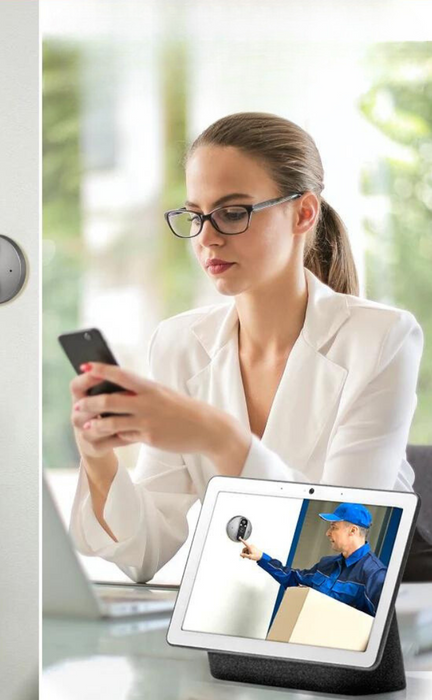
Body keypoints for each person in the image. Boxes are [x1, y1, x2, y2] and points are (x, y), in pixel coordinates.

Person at [67, 112, 424, 585]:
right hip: (234, 623)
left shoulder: (382, 338)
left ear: (303, 213)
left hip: (354, 626)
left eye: (233, 212)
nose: (208, 237)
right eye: (196, 215)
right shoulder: (180, 344)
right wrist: (97, 456)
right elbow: (144, 553)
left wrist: (220, 438)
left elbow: (342, 542)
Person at [239, 503, 386, 617]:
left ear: (352, 530)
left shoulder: (374, 574)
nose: (327, 533)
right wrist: (261, 557)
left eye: (333, 527)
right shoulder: (326, 564)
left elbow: (380, 628)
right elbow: (293, 578)